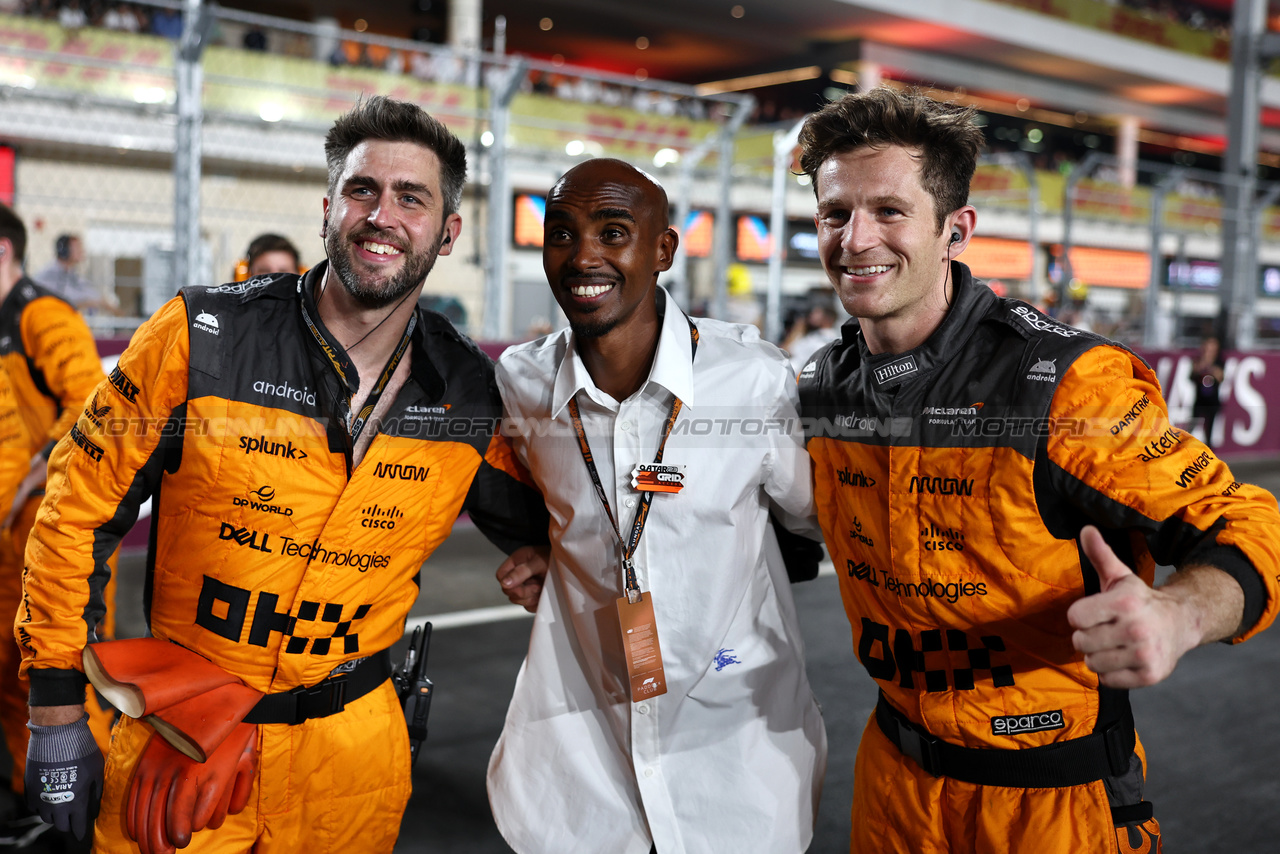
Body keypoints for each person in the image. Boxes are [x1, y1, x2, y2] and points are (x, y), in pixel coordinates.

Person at [16, 96, 549, 851]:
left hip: (355, 763)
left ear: (449, 231)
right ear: (328, 207)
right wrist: (56, 707)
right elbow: (74, 515)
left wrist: (551, 558)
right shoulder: (202, 336)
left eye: (411, 197)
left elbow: (561, 525)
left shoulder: (468, 389)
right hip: (185, 737)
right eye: (362, 190)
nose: (381, 214)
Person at [794, 87, 1280, 853]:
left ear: (956, 229)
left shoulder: (1062, 384)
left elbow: (1249, 521)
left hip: (1052, 804)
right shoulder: (822, 386)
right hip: (891, 785)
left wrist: (1179, 615)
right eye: (834, 214)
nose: (854, 240)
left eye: (889, 211)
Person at [487, 158, 827, 853]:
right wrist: (540, 547)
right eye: (562, 233)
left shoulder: (751, 381)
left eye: (614, 232)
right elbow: (537, 495)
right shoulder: (521, 381)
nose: (584, 255)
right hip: (575, 778)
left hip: (738, 770)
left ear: (663, 250)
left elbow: (823, 519)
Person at [0, 202, 117, 841]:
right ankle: (36, 809)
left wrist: (27, 480)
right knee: (11, 679)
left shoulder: (40, 315)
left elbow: (89, 407)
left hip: (47, 536)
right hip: (9, 540)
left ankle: (86, 815)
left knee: (60, 679)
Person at [31, 234, 115, 314]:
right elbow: (59, 301)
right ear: (64, 250)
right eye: (77, 247)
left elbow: (93, 295)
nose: (82, 251)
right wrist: (86, 303)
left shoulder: (72, 275)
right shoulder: (49, 275)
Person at [1190, 335, 1224, 445]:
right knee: (1192, 426)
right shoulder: (1198, 361)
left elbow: (1220, 377)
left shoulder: (1219, 362)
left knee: (1209, 430)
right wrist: (1203, 362)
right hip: (1199, 400)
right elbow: (1191, 376)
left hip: (1212, 401)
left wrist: (1209, 365)